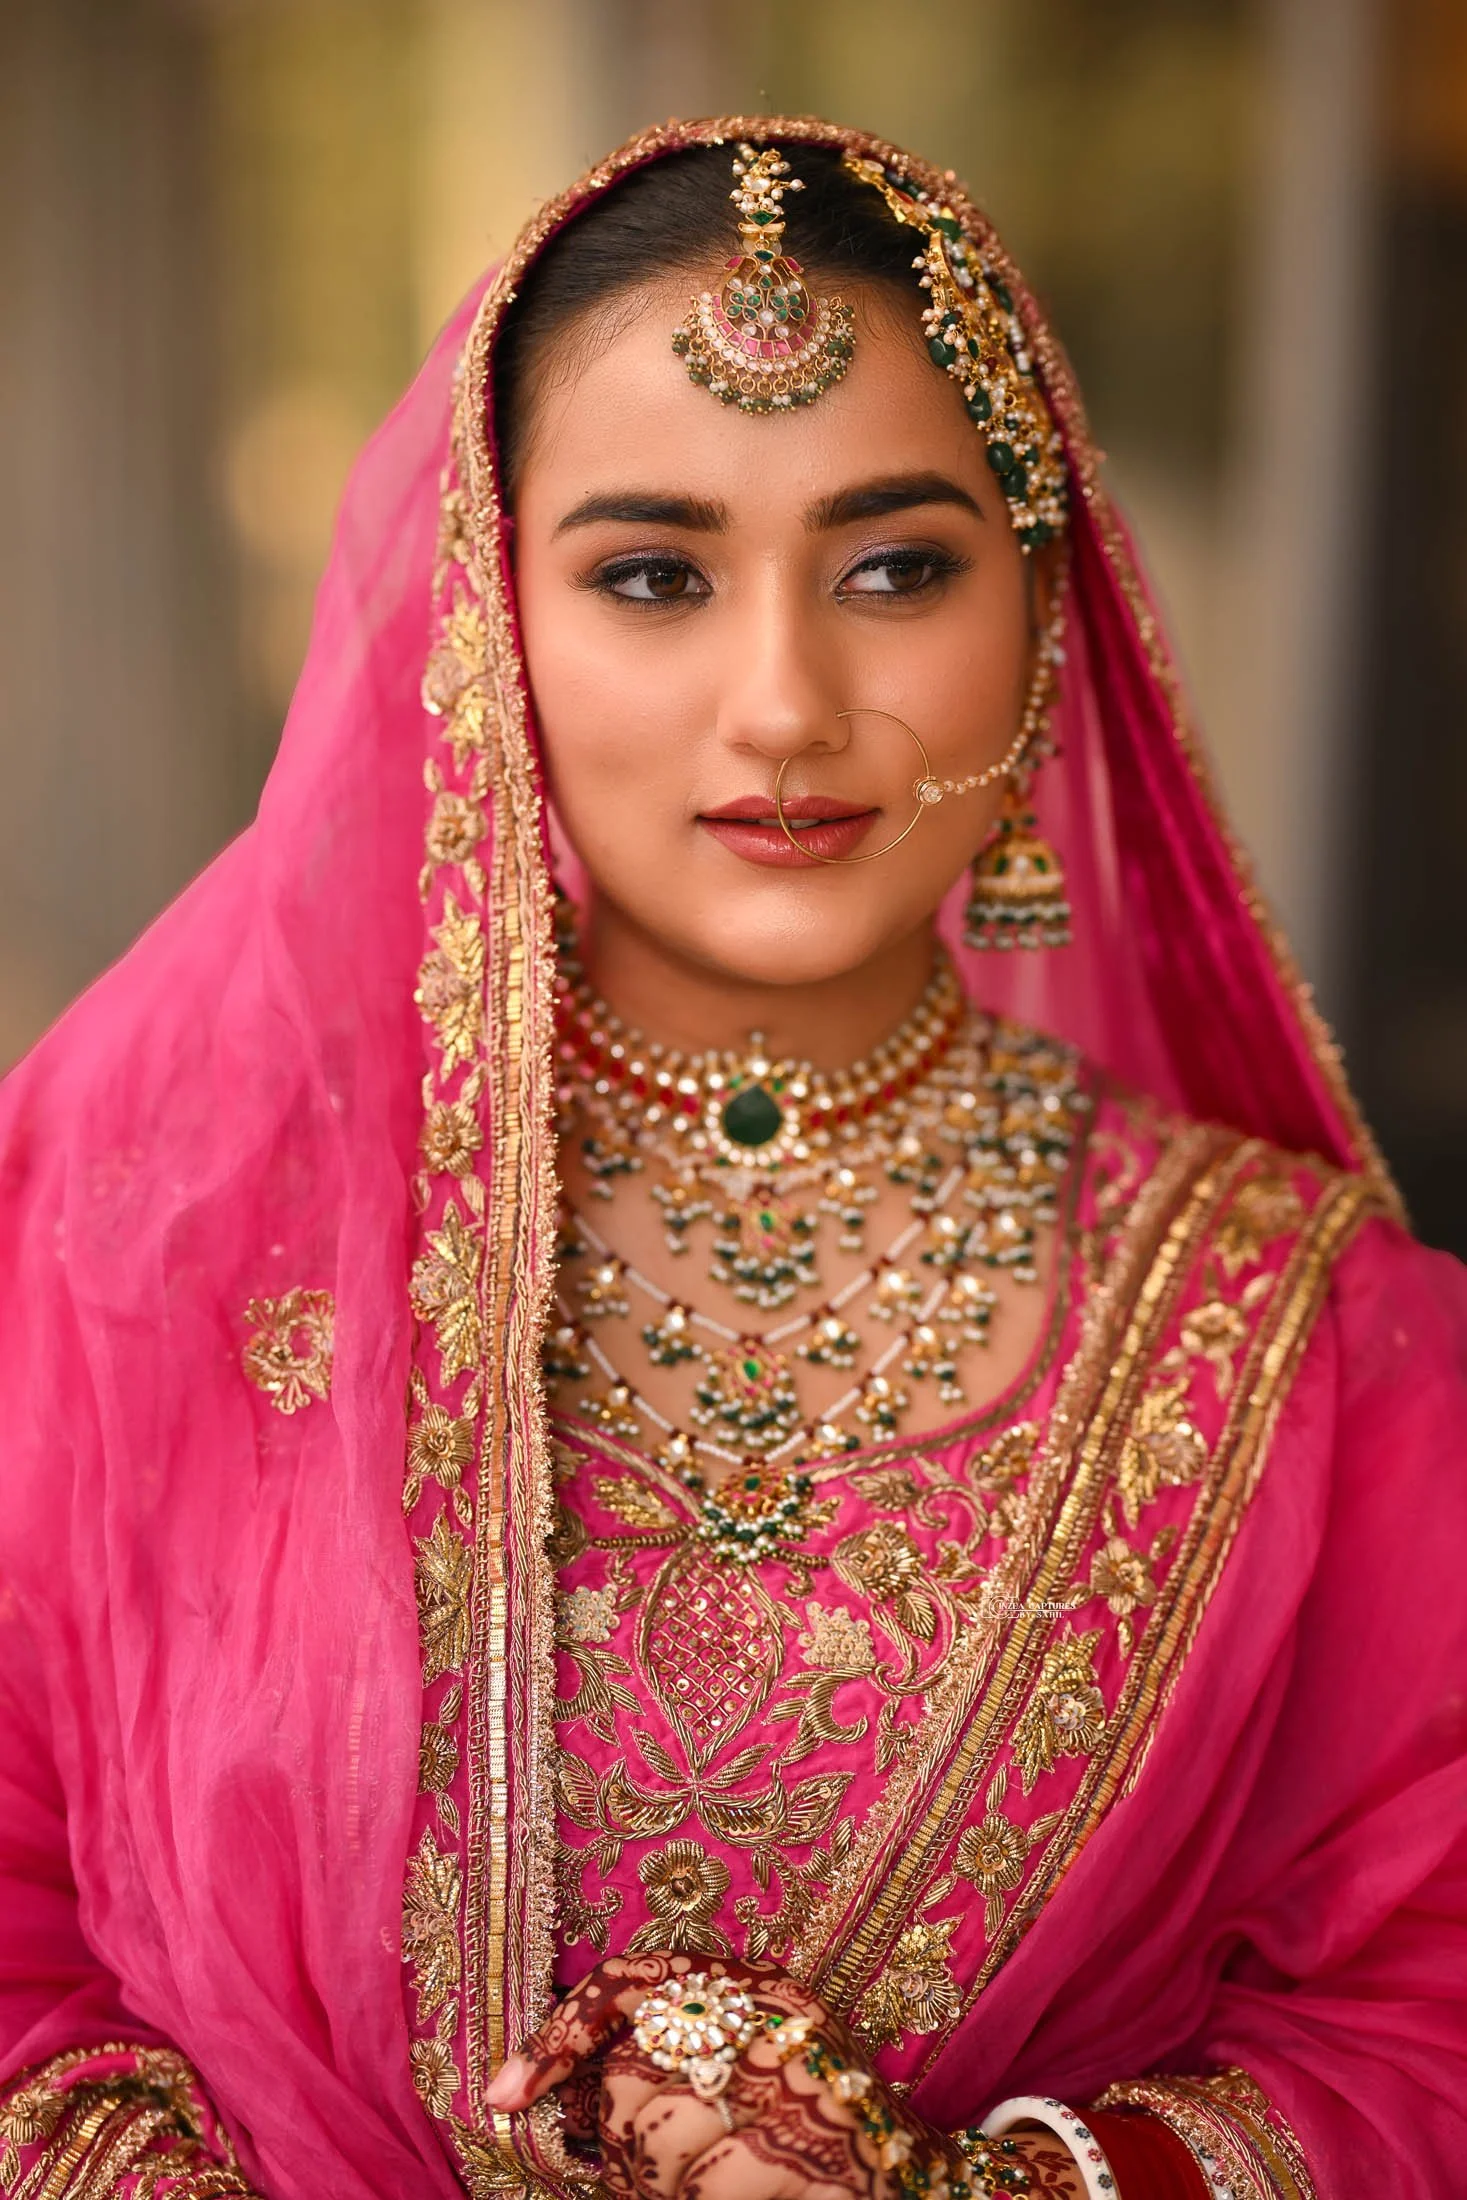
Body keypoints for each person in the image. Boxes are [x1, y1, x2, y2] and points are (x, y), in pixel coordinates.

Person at [0, 115, 1462, 2200]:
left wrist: (999, 2191)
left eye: (893, 566)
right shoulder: (150, 1248)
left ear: (1042, 619)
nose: (782, 702)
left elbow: (1416, 2014)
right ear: (485, 630)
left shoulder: (1316, 1341)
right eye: (652, 575)